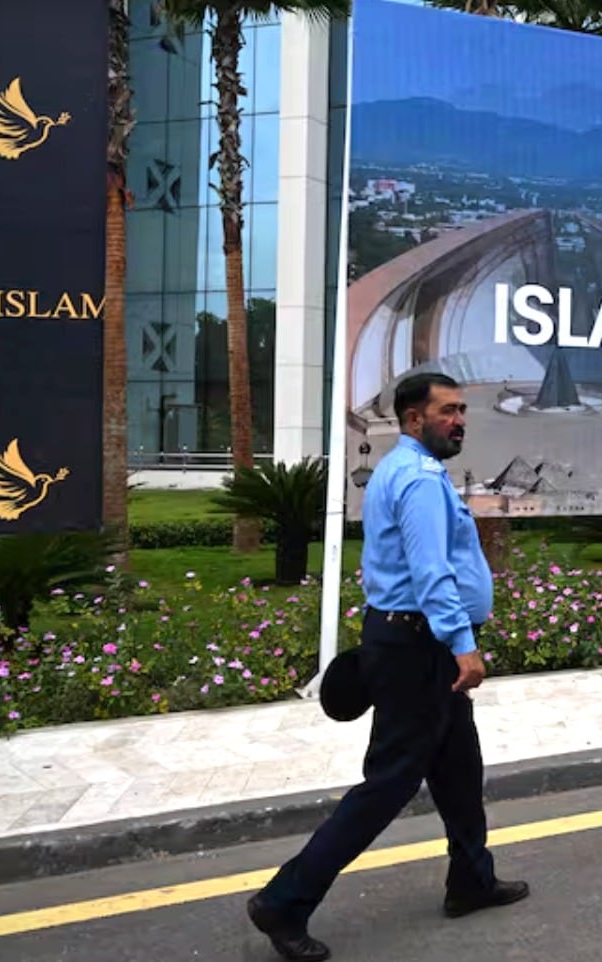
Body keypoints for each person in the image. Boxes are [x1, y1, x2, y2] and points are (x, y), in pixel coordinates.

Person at [247, 372, 529, 962]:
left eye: (461, 410)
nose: (460, 421)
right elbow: (431, 573)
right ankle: (284, 901)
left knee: (459, 768)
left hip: (410, 640)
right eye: (448, 411)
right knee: (389, 783)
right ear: (413, 419)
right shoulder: (420, 480)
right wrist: (462, 643)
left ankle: (471, 880)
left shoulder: (402, 469)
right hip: (422, 646)